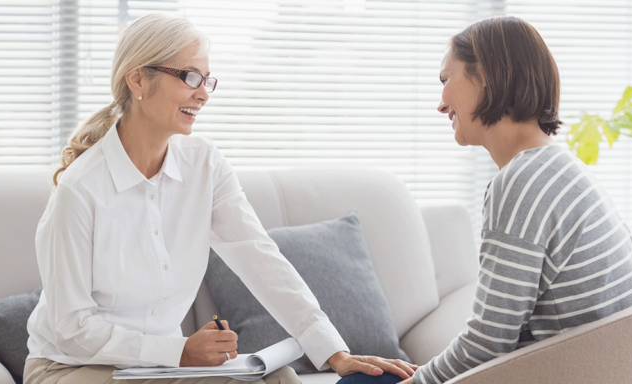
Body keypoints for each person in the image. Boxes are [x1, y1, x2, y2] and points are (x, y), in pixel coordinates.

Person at [23, 13, 416, 384]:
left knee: (276, 377)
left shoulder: (204, 165)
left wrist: (334, 353)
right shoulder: (80, 190)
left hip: (156, 368)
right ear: (138, 80)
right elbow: (71, 330)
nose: (203, 94)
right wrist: (178, 352)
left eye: (207, 80)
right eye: (190, 76)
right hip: (68, 368)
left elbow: (260, 257)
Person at [339, 15, 632, 384]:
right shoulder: (559, 166)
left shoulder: (522, 181)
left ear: (485, 76)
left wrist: (417, 381)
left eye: (445, 80)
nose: (441, 104)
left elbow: (489, 343)